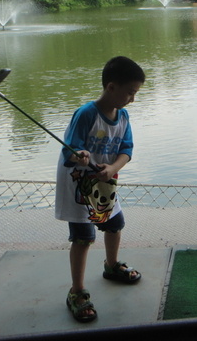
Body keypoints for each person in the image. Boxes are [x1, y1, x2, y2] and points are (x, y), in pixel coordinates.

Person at [55, 55, 145, 322]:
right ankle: (77, 291)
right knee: (83, 237)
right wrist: (79, 154)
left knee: (114, 224)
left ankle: (111, 265)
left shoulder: (124, 116)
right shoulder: (86, 114)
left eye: (135, 93)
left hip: (104, 182)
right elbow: (68, 150)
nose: (132, 99)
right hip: (78, 185)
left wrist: (112, 168)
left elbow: (126, 151)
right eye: (130, 92)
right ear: (111, 87)